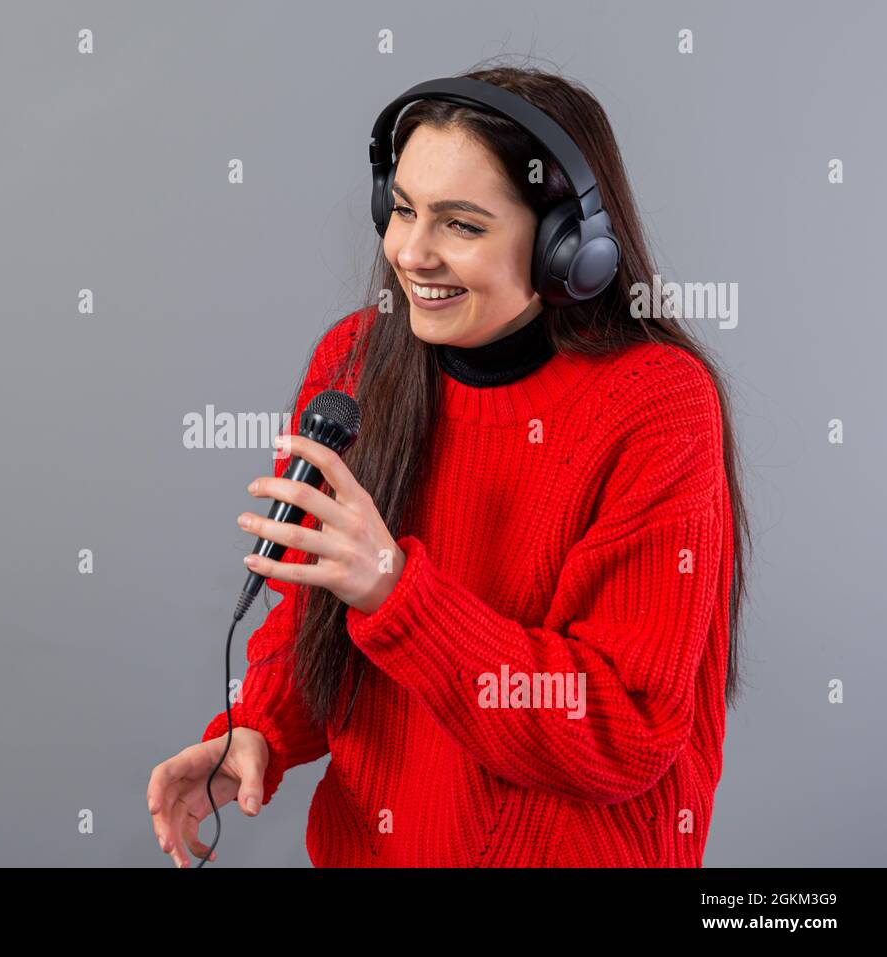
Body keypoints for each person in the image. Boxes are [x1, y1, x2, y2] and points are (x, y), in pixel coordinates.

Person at [147, 62, 751, 867]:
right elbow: (309, 618)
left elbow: (626, 727)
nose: (412, 251)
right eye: (401, 210)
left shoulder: (655, 404)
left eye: (461, 225)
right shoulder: (356, 362)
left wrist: (400, 593)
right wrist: (256, 729)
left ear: (569, 247)